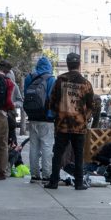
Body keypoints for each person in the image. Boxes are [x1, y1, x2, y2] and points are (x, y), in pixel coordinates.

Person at [45, 52, 95, 191]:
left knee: (58, 154)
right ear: (79, 64)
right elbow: (92, 105)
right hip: (79, 126)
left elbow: (52, 101)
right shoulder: (86, 83)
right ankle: (79, 183)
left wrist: (58, 113)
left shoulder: (60, 80)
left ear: (67, 64)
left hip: (62, 125)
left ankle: (53, 181)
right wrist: (85, 117)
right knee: (79, 155)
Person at [23, 55, 56, 183]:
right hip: (46, 119)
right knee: (47, 147)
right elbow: (52, 99)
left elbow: (26, 95)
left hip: (32, 117)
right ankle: (47, 174)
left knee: (34, 147)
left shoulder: (29, 78)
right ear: (49, 66)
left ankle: (35, 175)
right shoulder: (51, 79)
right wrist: (52, 115)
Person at [0, 61, 23, 146]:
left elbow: (20, 101)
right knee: (5, 142)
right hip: (3, 115)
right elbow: (20, 101)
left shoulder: (14, 86)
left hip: (7, 116)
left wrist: (13, 104)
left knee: (5, 141)